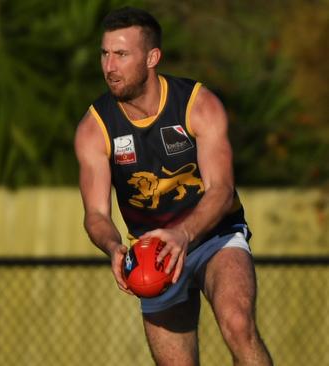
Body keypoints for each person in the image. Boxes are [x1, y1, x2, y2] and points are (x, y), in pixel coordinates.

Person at [74, 7, 272, 365]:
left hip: (214, 235)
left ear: (152, 57)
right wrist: (114, 247)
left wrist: (184, 234)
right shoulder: (94, 127)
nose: (109, 66)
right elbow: (96, 214)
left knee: (238, 324)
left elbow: (221, 191)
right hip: (151, 252)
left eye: (121, 54)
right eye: (105, 54)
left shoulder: (198, 105)